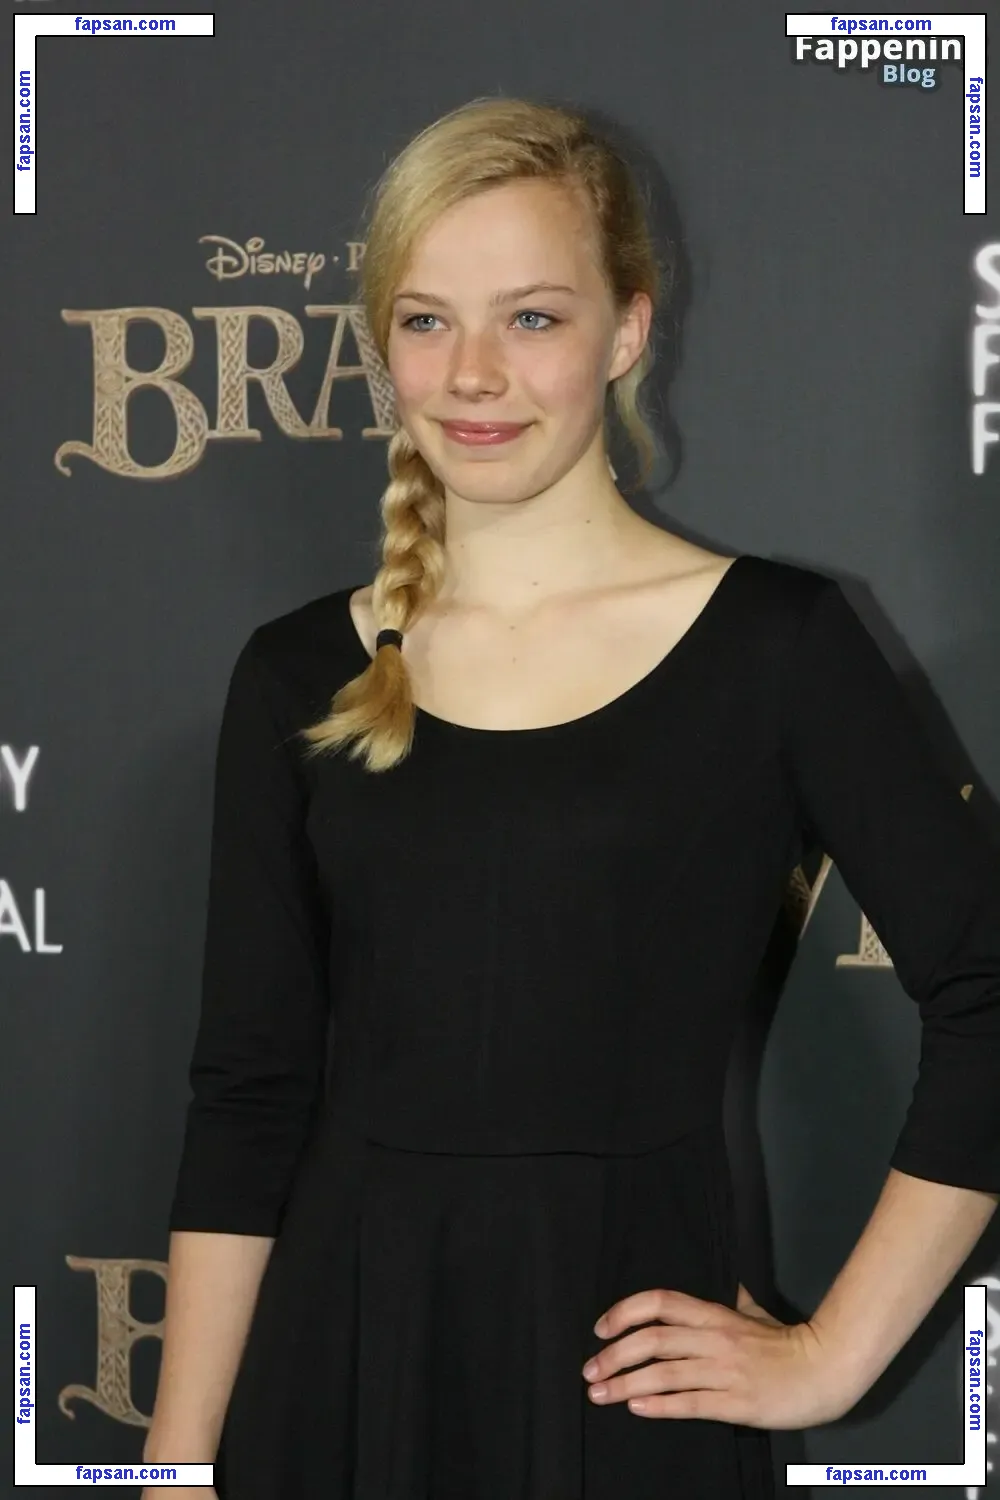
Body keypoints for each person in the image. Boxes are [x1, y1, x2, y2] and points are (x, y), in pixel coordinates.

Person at [141, 95, 1000, 1500]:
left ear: (629, 330)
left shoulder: (777, 647)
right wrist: (174, 1472)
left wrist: (832, 1357)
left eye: (532, 317)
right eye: (427, 320)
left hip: (625, 1387)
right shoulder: (297, 670)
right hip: (334, 1376)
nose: (474, 373)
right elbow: (247, 1095)